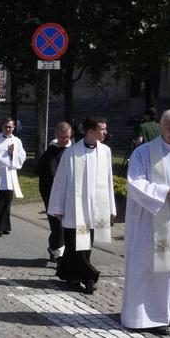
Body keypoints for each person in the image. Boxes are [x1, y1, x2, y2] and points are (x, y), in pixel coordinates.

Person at [48, 116, 115, 295]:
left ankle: (71, 275)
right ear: (90, 131)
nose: (105, 132)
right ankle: (90, 276)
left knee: (86, 245)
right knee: (76, 245)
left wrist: (112, 209)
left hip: (96, 209)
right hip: (74, 210)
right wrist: (57, 207)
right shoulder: (72, 153)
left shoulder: (106, 151)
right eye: (102, 129)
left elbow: (109, 180)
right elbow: (60, 181)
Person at [121, 109, 170, 334]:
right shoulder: (144, 152)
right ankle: (147, 316)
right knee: (149, 268)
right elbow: (134, 183)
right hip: (150, 222)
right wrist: (165, 192)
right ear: (160, 127)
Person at [35, 121, 73, 262]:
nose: (64, 140)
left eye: (67, 138)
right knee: (57, 226)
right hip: (51, 194)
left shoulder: (73, 151)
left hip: (69, 195)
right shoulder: (49, 152)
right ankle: (58, 252)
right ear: (56, 135)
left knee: (66, 225)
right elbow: (42, 176)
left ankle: (55, 249)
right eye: (61, 137)